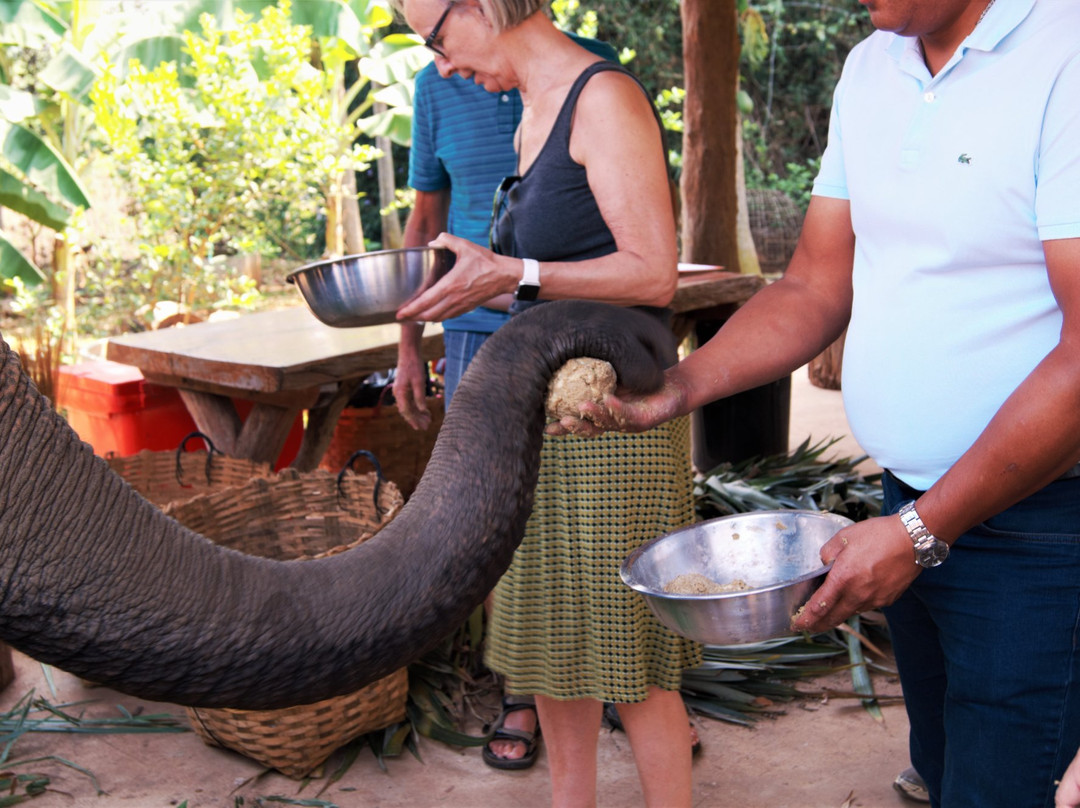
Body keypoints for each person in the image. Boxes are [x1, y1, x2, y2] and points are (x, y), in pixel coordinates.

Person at [549, 1, 1080, 806]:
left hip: (1040, 526)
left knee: (1011, 782)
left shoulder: (1064, 54)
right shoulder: (873, 65)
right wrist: (679, 387)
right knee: (944, 765)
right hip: (905, 504)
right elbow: (812, 284)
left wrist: (921, 530)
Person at [390, 0, 701, 804]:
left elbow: (653, 272)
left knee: (630, 651)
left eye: (437, 39)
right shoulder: (532, 113)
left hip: (615, 424)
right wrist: (480, 278)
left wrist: (513, 273)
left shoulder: (605, 98)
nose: (442, 65)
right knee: (550, 645)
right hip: (543, 421)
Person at [392, 24, 618, 771]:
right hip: (472, 334)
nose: (441, 55)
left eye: (441, 33)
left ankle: (623, 682)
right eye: (427, 39)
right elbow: (426, 219)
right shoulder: (434, 86)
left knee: (588, 520)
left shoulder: (585, 73)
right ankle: (520, 691)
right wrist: (407, 343)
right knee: (495, 521)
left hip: (571, 335)